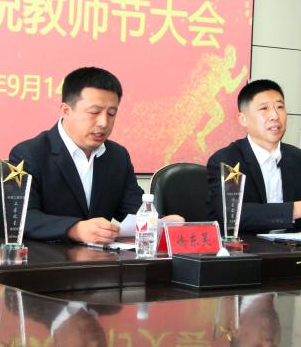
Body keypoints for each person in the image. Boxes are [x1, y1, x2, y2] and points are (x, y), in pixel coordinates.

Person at [10, 67, 180, 243]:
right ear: (66, 110)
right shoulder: (28, 154)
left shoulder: (118, 156)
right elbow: (21, 218)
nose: (104, 123)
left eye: (111, 114)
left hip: (102, 257)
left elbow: (133, 208)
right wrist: (74, 229)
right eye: (94, 112)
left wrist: (159, 222)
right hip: (47, 256)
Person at [206, 79, 301, 233]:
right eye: (264, 108)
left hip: (292, 247)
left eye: (280, 107)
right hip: (247, 247)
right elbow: (231, 216)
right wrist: (297, 209)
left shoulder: (296, 157)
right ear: (243, 119)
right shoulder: (227, 160)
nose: (275, 115)